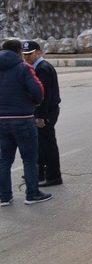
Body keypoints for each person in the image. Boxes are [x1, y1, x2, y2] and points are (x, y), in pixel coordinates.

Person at [0, 40, 52, 206]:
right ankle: (32, 194)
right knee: (29, 159)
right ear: (18, 51)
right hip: (23, 118)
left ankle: (4, 197)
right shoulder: (24, 68)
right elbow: (38, 92)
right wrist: (32, 103)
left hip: (1, 120)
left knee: (4, 160)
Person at [22, 41, 62, 187]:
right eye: (24, 54)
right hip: (44, 112)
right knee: (41, 144)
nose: (26, 57)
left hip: (46, 113)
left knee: (48, 145)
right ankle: (39, 173)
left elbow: (44, 97)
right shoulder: (36, 67)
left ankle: (54, 176)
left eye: (29, 54)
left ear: (38, 52)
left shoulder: (43, 68)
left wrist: (41, 117)